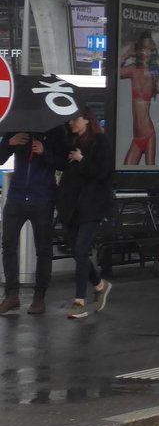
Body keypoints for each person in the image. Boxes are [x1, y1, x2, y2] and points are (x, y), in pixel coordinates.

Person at [0, 128, 68, 315]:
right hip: (17, 196)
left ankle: (39, 297)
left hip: (43, 197)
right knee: (8, 245)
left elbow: (63, 162)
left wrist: (44, 152)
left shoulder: (55, 132)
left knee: (43, 249)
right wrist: (8, 143)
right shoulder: (17, 129)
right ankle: (12, 294)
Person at [58, 109, 115, 319]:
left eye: (75, 119)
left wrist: (82, 160)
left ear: (87, 120)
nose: (71, 123)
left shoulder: (100, 142)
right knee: (77, 252)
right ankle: (100, 286)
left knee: (81, 251)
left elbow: (103, 172)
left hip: (91, 208)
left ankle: (79, 301)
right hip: (70, 208)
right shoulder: (70, 142)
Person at [119, 31, 159, 165]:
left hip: (148, 133)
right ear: (139, 50)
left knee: (150, 170)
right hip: (137, 136)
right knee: (128, 169)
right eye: (143, 48)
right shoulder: (133, 69)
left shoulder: (153, 73)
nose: (146, 52)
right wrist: (128, 53)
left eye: (149, 49)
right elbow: (116, 71)